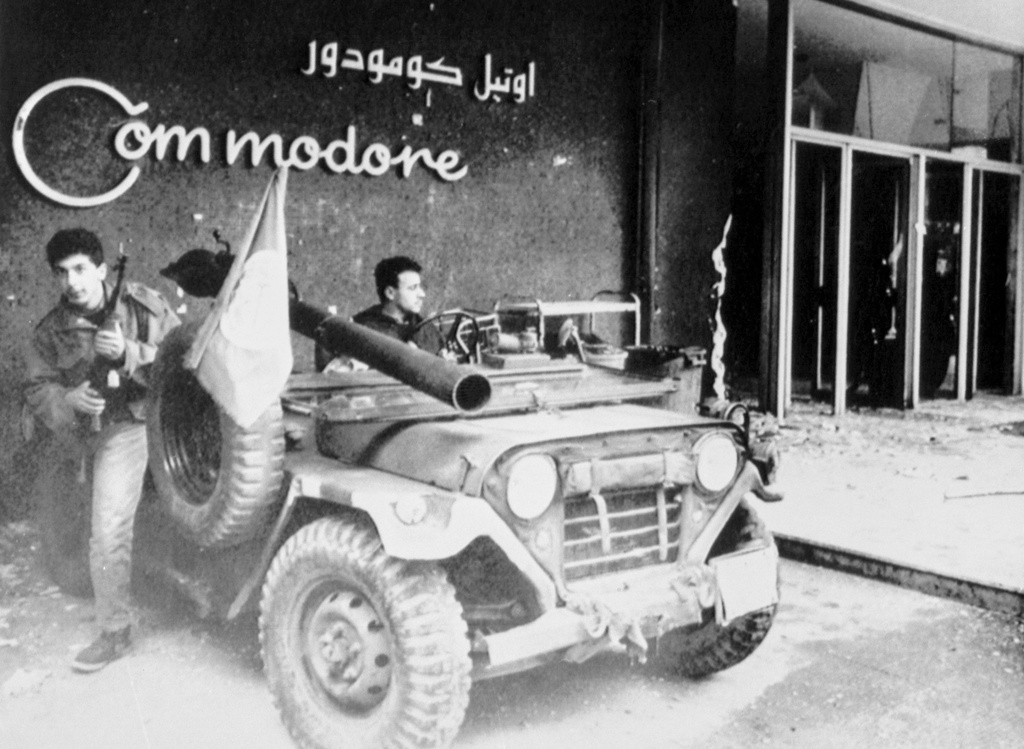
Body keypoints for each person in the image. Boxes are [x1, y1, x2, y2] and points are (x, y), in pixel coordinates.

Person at [23, 228, 180, 673]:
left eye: (79, 269)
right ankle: (116, 630)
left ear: (101, 269)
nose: (71, 282)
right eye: (61, 272)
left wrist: (132, 351)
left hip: (163, 418)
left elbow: (189, 355)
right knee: (107, 528)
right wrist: (67, 400)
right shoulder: (52, 330)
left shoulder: (142, 304)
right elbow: (37, 385)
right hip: (111, 430)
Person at [352, 255, 446, 354]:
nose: (422, 294)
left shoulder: (424, 327)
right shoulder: (363, 331)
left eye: (420, 287)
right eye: (413, 288)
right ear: (390, 293)